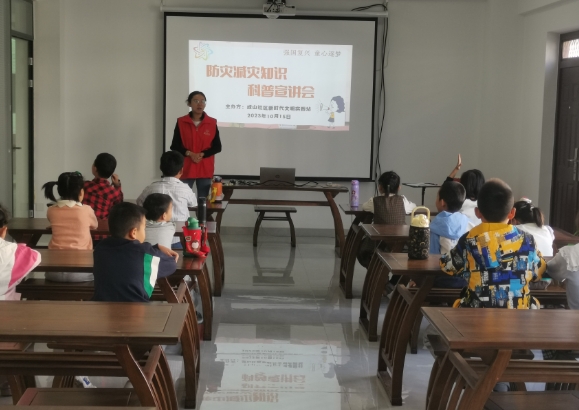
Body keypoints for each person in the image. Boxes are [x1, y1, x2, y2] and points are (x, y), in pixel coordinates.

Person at [440, 178, 546, 309]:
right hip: (519, 315)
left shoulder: (469, 240)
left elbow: (447, 266)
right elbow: (539, 271)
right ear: (512, 213)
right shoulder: (528, 240)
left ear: (477, 212)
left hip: (476, 315)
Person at [93, 202, 178, 302]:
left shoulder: (100, 248)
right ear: (133, 233)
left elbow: (126, 254)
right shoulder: (146, 253)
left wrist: (156, 247)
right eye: (144, 228)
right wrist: (157, 249)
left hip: (102, 308)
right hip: (137, 309)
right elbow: (171, 264)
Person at [43, 172, 98, 282]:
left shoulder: (51, 210)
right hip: (81, 272)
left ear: (59, 191)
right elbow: (95, 225)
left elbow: (55, 221)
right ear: (81, 192)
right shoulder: (86, 210)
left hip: (53, 271)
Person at [136, 151, 197, 249]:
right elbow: (193, 203)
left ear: (160, 168)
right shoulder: (185, 189)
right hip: (180, 239)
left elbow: (139, 203)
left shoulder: (151, 188)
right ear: (181, 170)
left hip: (154, 241)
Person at [170, 91, 222, 198]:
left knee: (203, 201)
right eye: (196, 101)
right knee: (183, 199)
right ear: (189, 103)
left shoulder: (211, 122)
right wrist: (190, 153)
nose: (200, 104)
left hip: (205, 167)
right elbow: (174, 145)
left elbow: (217, 147)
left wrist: (202, 154)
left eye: (203, 101)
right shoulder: (181, 122)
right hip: (186, 167)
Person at [430, 181, 470, 288]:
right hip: (466, 281)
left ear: (442, 202)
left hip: (443, 280)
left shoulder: (435, 228)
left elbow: (432, 258)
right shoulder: (469, 223)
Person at [0, 204, 41, 300]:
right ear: (3, 231)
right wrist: (19, 247)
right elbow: (36, 256)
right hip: (6, 306)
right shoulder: (14, 252)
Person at [445, 154, 485, 228]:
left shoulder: (457, 205)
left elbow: (444, 191)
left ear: (462, 185)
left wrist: (456, 169)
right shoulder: (485, 206)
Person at [82, 153, 123, 220]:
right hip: (103, 225)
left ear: (95, 169)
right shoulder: (113, 192)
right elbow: (119, 206)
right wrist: (117, 185)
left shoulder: (85, 186)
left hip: (84, 223)